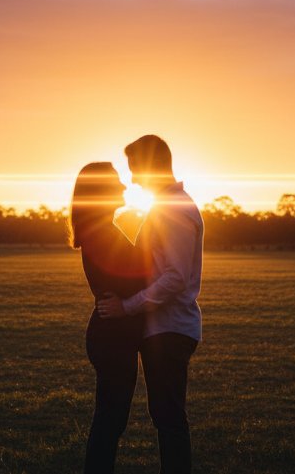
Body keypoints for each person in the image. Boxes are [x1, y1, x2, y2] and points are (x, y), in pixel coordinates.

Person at [98, 135, 204, 474]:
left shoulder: (173, 209)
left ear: (150, 167)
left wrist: (127, 306)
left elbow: (175, 278)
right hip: (163, 329)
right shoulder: (165, 206)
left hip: (171, 329)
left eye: (135, 169)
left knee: (169, 419)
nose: (132, 179)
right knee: (166, 417)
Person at [70, 162, 151, 474]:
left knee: (111, 421)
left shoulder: (103, 229)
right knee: (109, 422)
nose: (123, 186)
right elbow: (135, 278)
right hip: (112, 337)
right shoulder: (100, 233)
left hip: (113, 335)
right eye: (116, 181)